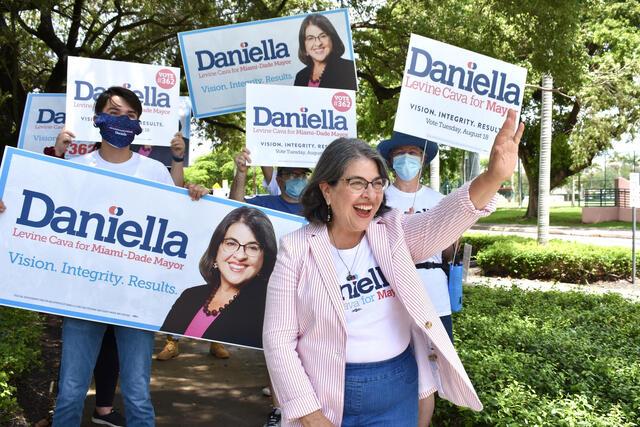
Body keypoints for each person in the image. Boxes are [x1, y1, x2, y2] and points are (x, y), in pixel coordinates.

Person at [262, 110, 524, 426]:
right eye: (356, 183)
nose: (370, 194)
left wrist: (492, 177)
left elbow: (441, 220)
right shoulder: (296, 249)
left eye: (376, 183)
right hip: (326, 392)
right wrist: (311, 415)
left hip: (396, 389)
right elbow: (278, 341)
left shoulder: (391, 231)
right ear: (327, 190)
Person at [30, 86, 208, 427]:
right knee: (70, 391)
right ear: (98, 119)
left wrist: (195, 196)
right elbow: (43, 215)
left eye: (130, 116)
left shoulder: (155, 172)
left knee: (139, 394)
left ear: (139, 124)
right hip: (82, 295)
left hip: (136, 299)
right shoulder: (77, 167)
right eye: (113, 113)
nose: (122, 122)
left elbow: (179, 224)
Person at [377, 131, 457, 426]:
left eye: (414, 153)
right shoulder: (380, 198)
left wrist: (451, 229)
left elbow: (448, 253)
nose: (407, 159)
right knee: (394, 367)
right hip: (392, 293)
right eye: (401, 154)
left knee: (430, 375)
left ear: (423, 160)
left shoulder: (438, 200)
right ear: (390, 161)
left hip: (434, 295)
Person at [161, 207, 277, 348]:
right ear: (216, 248)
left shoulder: (269, 309)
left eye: (253, 247)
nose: (240, 256)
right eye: (231, 243)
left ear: (265, 257)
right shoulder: (189, 296)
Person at [229, 147, 309, 216]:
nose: (300, 179)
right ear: (279, 180)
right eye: (294, 175)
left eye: (303, 174)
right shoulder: (266, 204)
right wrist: (241, 172)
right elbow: (235, 207)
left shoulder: (315, 207)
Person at [293, 14, 357, 90]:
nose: (318, 43)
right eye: (310, 38)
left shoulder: (349, 68)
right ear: (304, 46)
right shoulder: (300, 76)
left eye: (323, 36)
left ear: (332, 39)